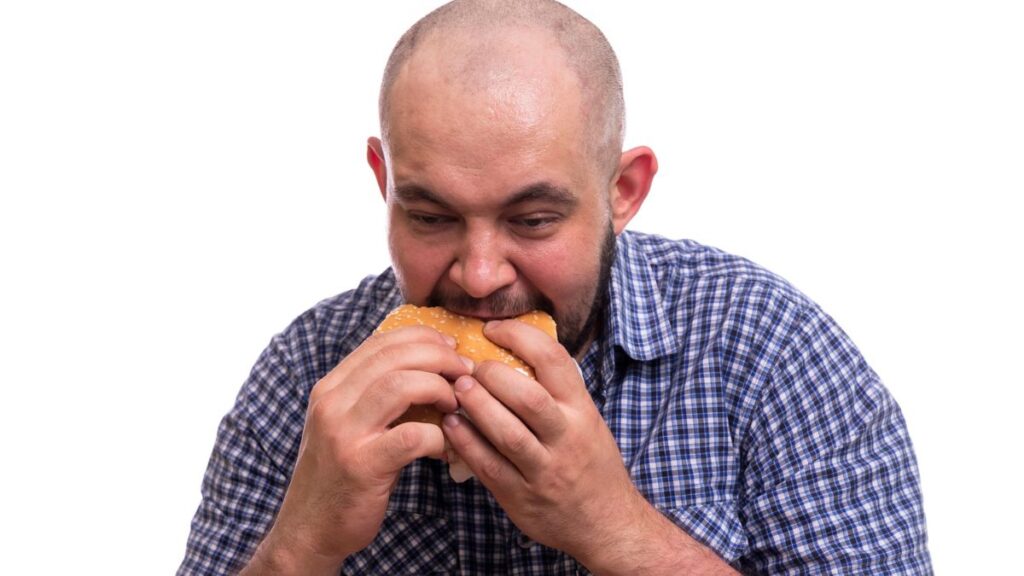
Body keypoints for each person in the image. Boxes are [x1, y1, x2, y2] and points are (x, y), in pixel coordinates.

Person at [179, 1, 932, 574]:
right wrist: (300, 542)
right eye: (431, 215)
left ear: (622, 191)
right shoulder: (304, 377)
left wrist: (612, 526)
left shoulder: (771, 352)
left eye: (533, 220)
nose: (479, 275)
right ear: (384, 183)